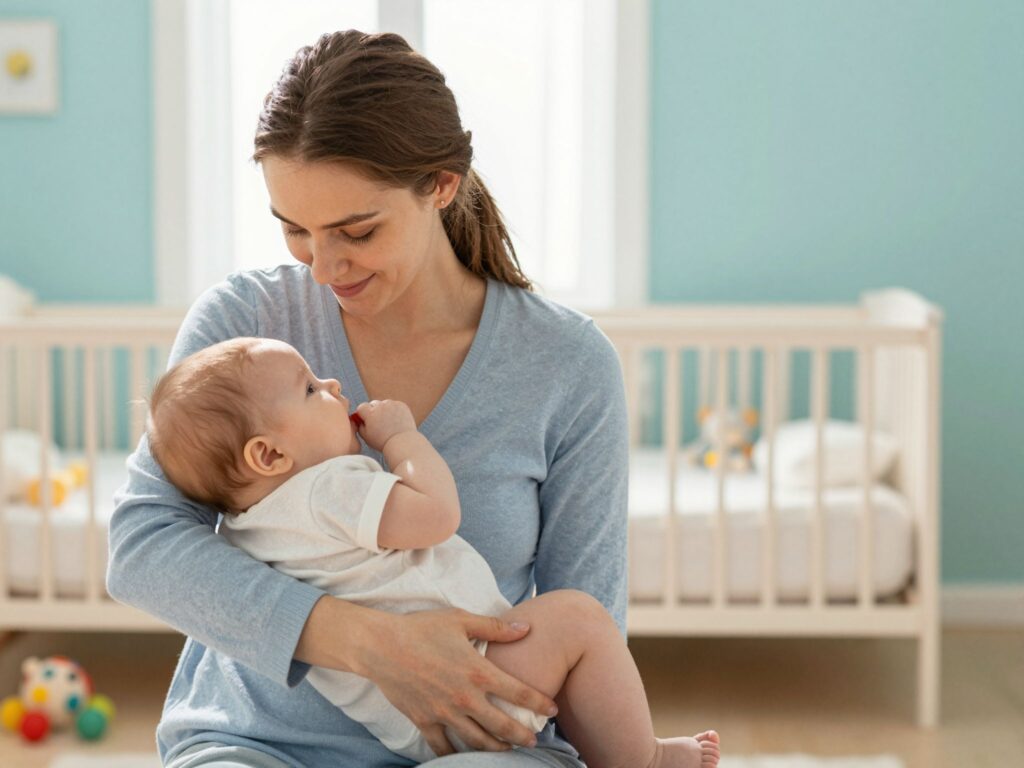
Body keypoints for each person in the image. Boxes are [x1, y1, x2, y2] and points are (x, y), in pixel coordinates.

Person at [106, 29, 680, 767]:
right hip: (255, 742)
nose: (322, 268)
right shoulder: (245, 330)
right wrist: (375, 647)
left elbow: (586, 620)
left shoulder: (567, 365)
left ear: (440, 185)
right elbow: (142, 549)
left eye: (356, 230)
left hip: (476, 744)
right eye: (296, 232)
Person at [144, 336, 722, 768]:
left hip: (405, 719)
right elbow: (436, 516)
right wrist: (401, 439)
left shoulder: (244, 527)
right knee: (578, 619)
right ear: (269, 457)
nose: (334, 386)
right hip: (473, 680)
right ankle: (645, 760)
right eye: (312, 389)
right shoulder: (329, 489)